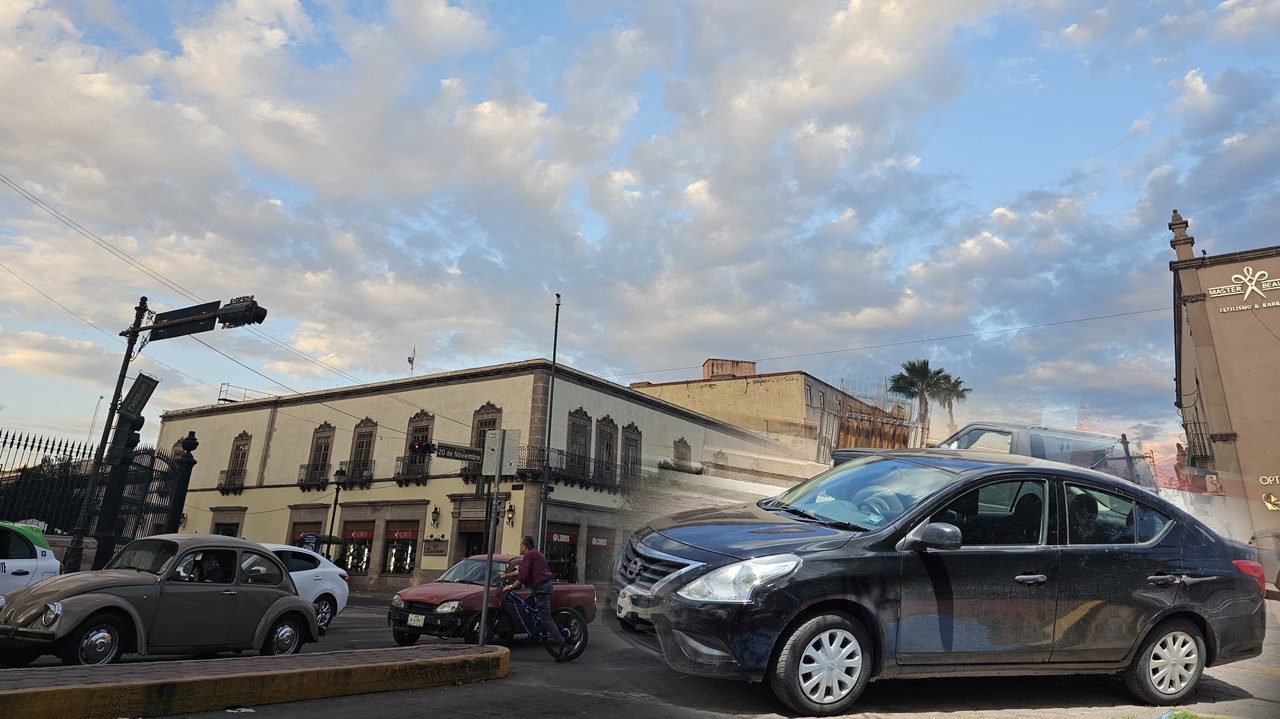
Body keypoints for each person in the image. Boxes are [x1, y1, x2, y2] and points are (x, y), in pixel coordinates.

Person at [500, 535, 568, 661]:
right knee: (526, 606)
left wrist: (510, 586)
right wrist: (505, 576)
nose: (519, 547)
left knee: (546, 619)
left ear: (525, 546)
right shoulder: (536, 554)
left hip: (541, 589)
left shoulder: (529, 555)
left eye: (520, 545)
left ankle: (562, 645)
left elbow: (523, 576)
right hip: (540, 588)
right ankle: (534, 634)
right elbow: (521, 570)